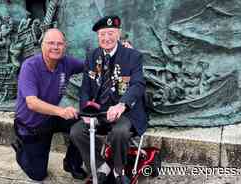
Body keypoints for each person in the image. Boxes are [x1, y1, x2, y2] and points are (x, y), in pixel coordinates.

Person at [70, 15, 148, 184]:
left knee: (120, 132)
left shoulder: (132, 56)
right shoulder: (92, 56)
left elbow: (138, 84)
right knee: (76, 131)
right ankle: (102, 167)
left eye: (111, 33)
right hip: (99, 111)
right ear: (98, 36)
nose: (106, 38)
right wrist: (85, 111)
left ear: (118, 34)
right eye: (102, 34)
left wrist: (121, 105)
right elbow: (85, 89)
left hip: (125, 113)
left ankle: (119, 171)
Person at [12, 28, 87, 182]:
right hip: (31, 125)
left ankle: (71, 163)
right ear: (42, 45)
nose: (55, 47)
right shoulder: (30, 66)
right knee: (38, 174)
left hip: (51, 117)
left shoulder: (67, 63)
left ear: (65, 46)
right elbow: (32, 103)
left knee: (84, 123)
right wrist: (61, 111)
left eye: (59, 43)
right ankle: (21, 149)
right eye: (51, 43)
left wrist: (119, 52)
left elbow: (91, 65)